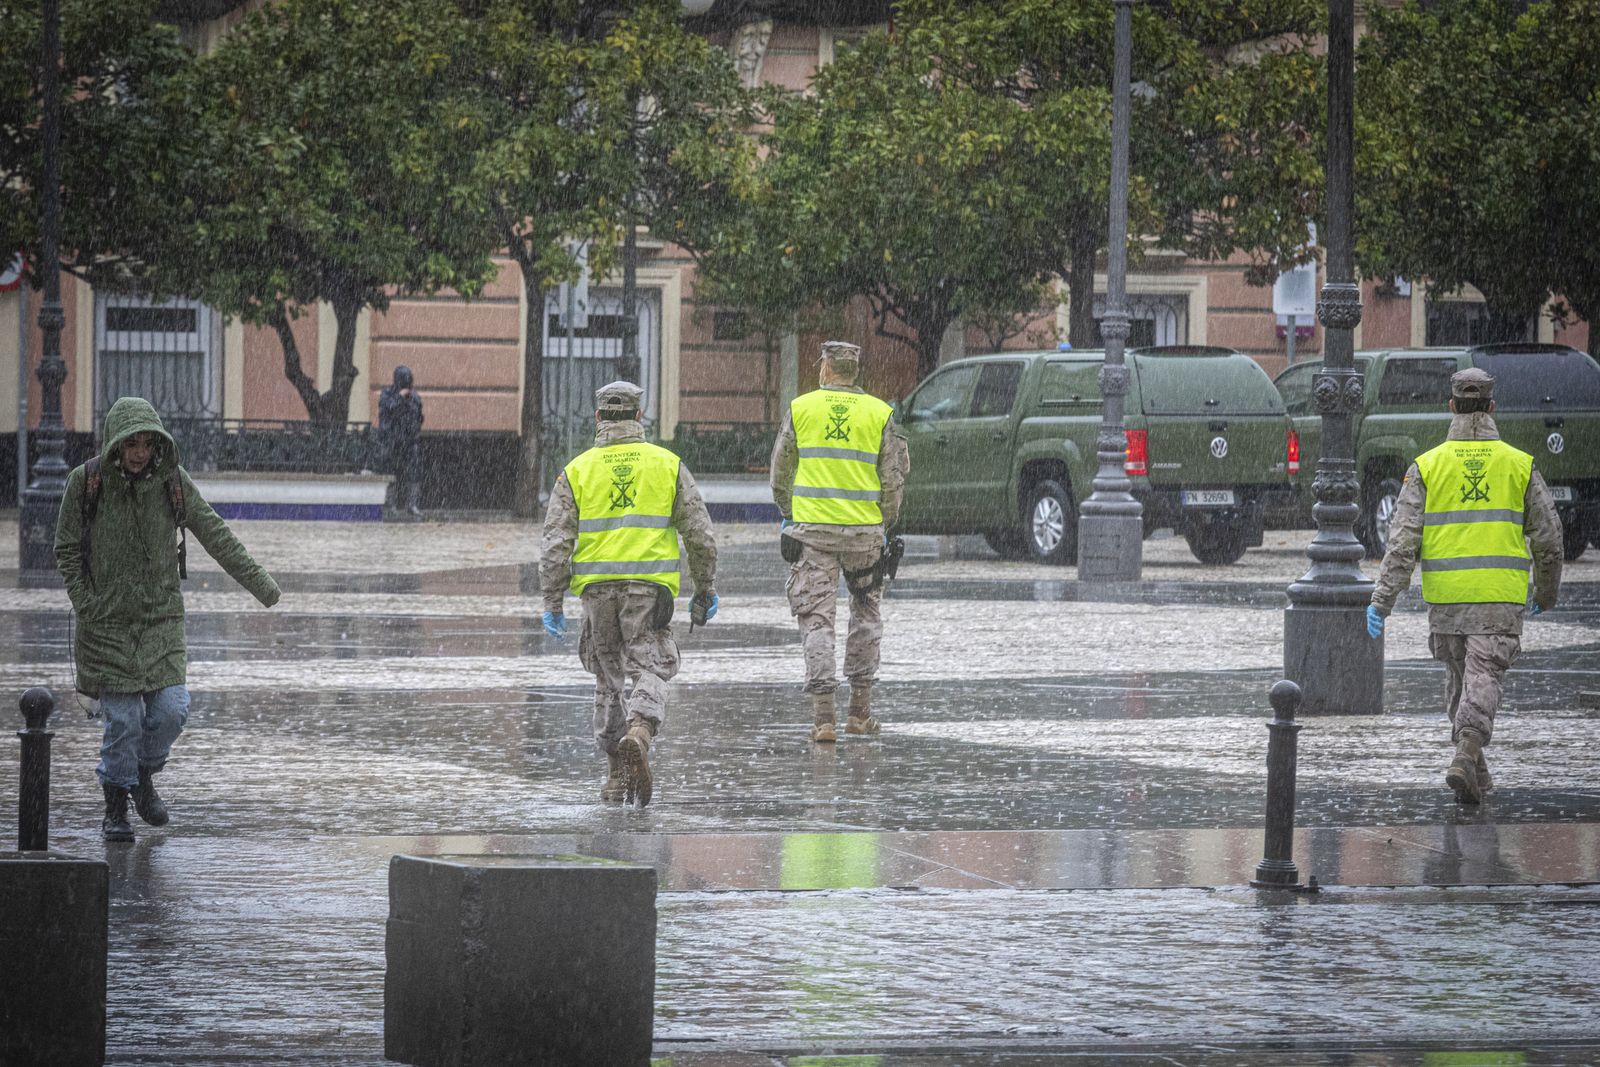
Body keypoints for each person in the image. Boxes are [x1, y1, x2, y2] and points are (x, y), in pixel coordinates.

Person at [55, 397, 281, 841]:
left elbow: (215, 532)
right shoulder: (86, 483)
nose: (139, 452)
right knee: (123, 722)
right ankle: (116, 806)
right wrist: (87, 604)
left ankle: (142, 775)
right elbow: (65, 548)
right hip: (107, 627)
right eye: (131, 443)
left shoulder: (172, 482)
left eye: (147, 443)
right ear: (115, 444)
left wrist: (261, 584)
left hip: (161, 621)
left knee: (174, 709)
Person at [1367, 367, 1563, 804]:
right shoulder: (1519, 465)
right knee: (1483, 679)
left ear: (1452, 407)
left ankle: (1476, 777)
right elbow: (1550, 540)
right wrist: (1546, 593)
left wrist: (1381, 602)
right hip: (1499, 599)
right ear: (1492, 408)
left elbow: (1401, 543)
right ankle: (1467, 753)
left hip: (1447, 603)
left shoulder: (1427, 467)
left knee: (1461, 685)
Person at [539, 381, 718, 807]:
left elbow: (555, 543)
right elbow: (700, 536)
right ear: (640, 418)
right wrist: (704, 587)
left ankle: (616, 776)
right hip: (648, 590)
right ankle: (639, 731)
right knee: (651, 667)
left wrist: (552, 600)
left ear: (598, 418)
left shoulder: (576, 470)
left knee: (608, 678)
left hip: (597, 592)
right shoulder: (666, 465)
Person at [769, 340, 909, 743]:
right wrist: (885, 521)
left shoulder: (802, 408)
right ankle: (860, 712)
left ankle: (823, 718)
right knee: (865, 615)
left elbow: (780, 471)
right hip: (864, 534)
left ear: (826, 368)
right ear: (855, 370)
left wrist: (788, 511)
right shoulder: (879, 413)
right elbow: (893, 479)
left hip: (812, 533)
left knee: (817, 619)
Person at [379, 364, 424, 519]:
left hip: (409, 441)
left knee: (414, 473)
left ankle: (412, 505)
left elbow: (418, 415)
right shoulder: (386, 394)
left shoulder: (415, 396)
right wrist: (400, 397)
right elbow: (388, 410)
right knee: (390, 473)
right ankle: (389, 505)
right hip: (392, 441)